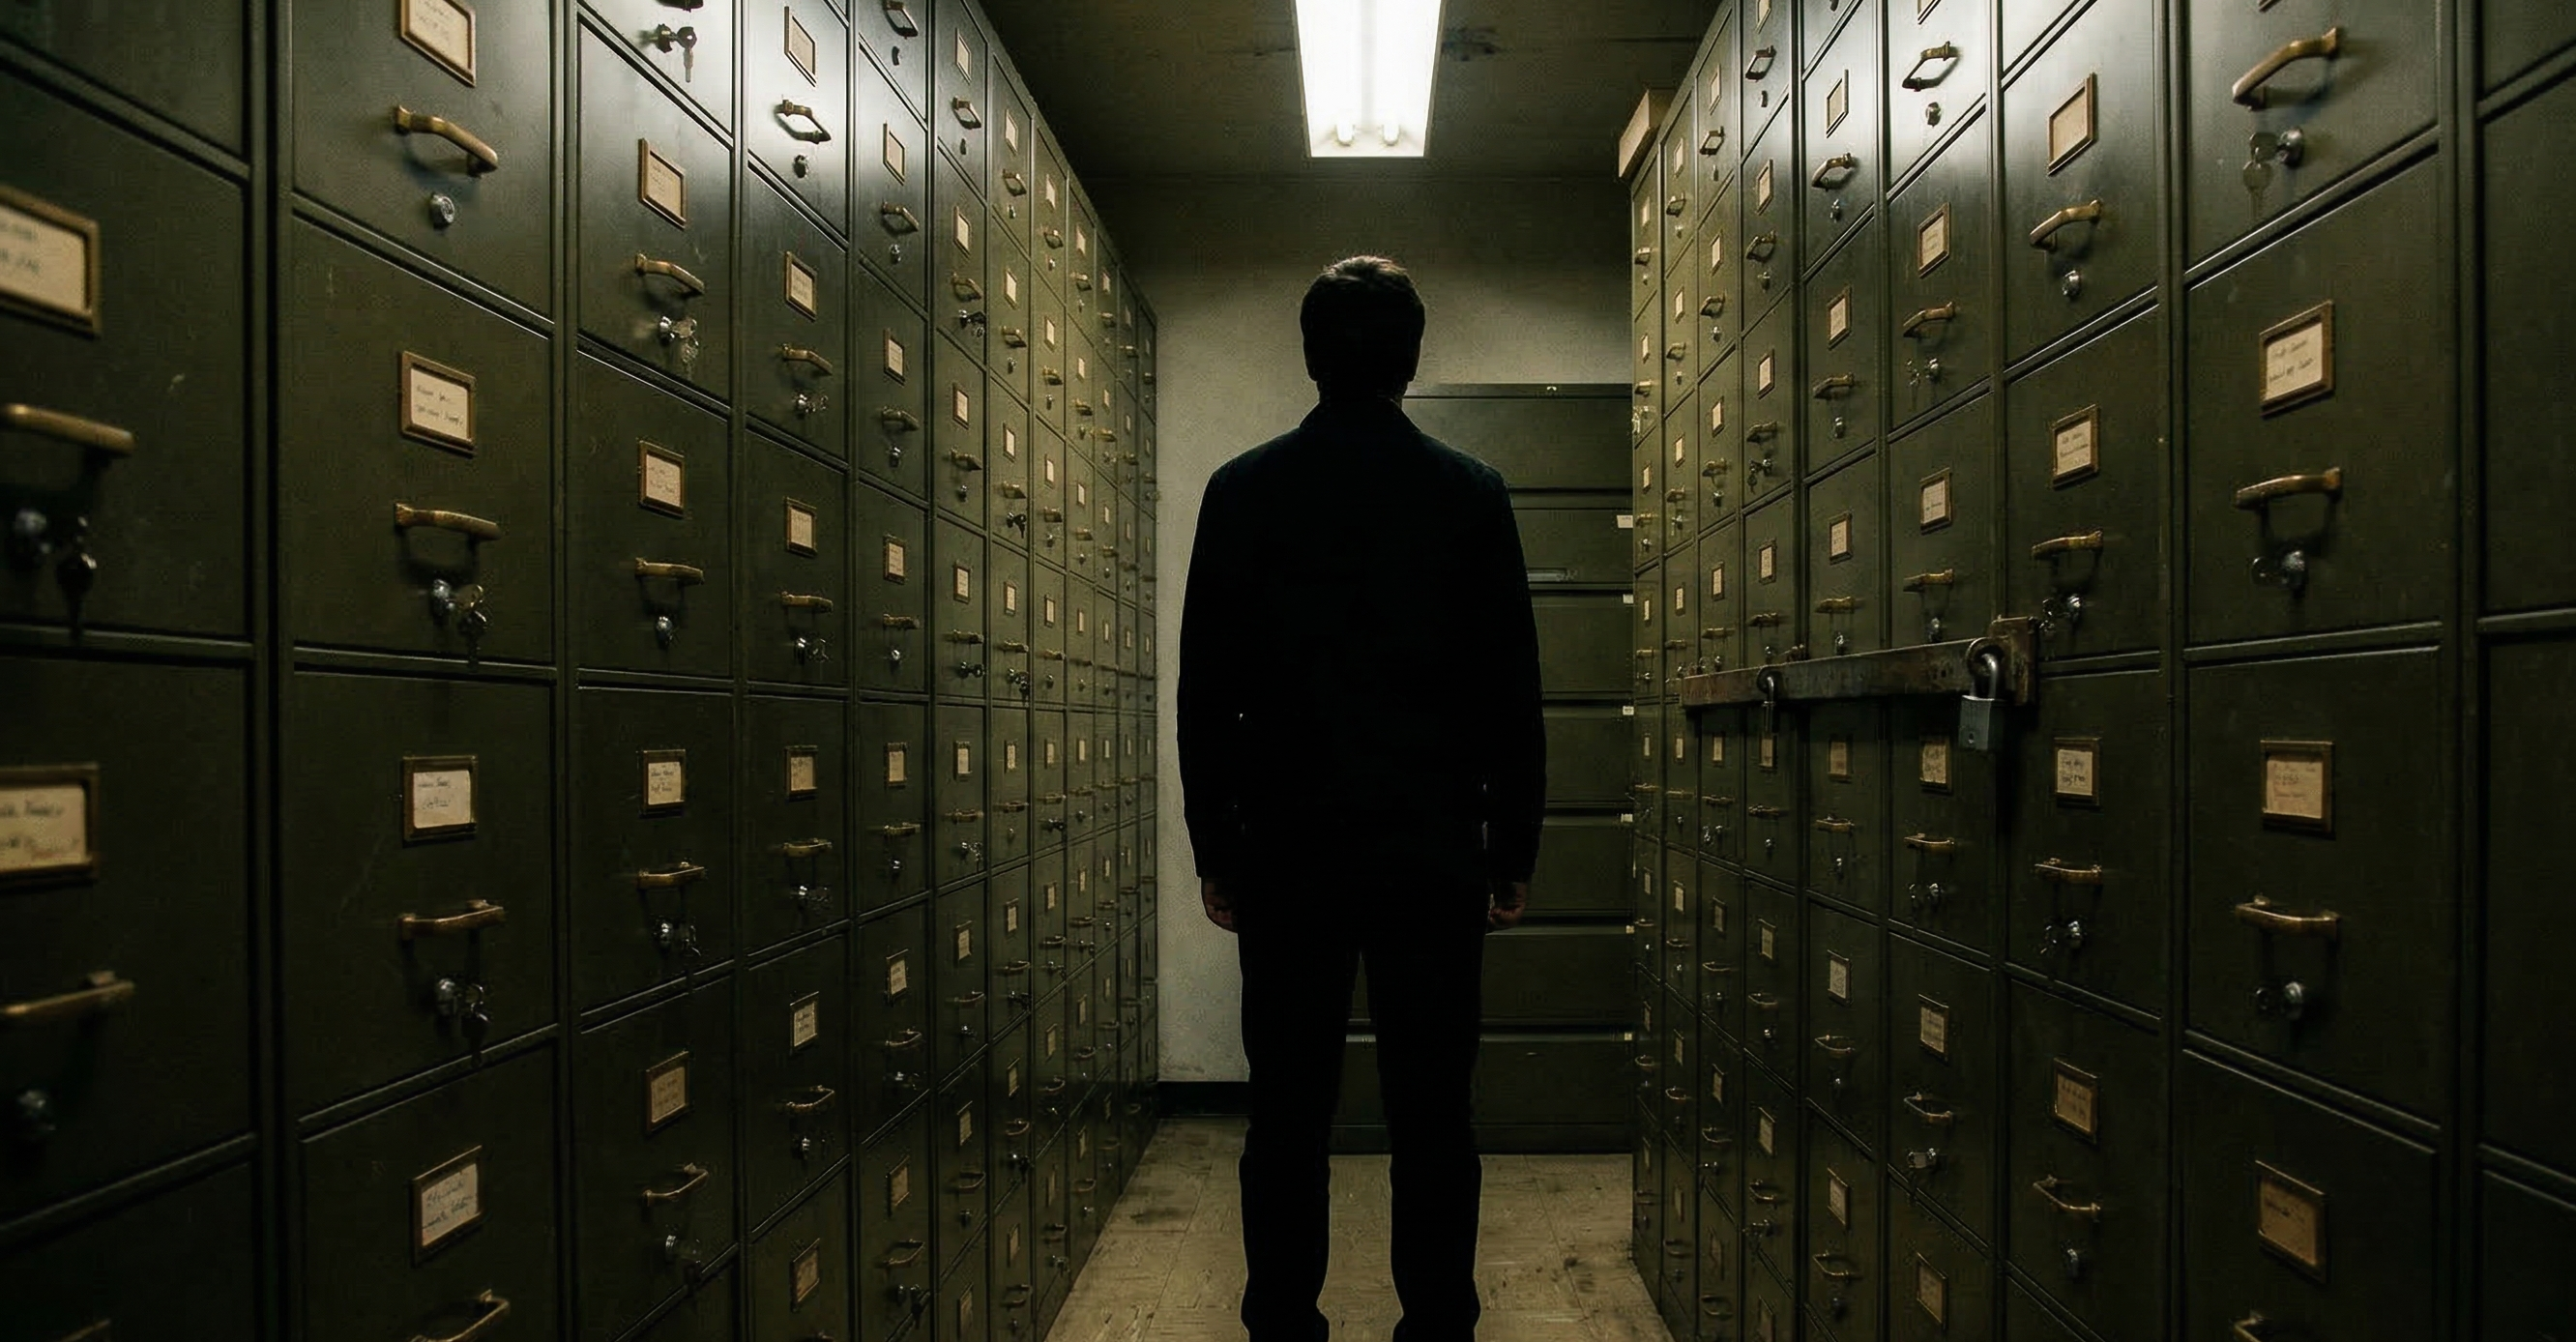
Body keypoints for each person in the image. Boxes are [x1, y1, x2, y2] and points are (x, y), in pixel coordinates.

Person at [1177, 255, 1547, 1342]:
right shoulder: (1469, 493)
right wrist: (1509, 846)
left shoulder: (1244, 490)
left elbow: (1209, 689)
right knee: (1435, 1110)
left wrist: (1216, 847)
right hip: (1430, 850)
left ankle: (1284, 1320)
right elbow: (1507, 686)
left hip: (1288, 851)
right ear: (1413, 359)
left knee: (1285, 1109)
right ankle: (1438, 1320)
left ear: (1309, 355)